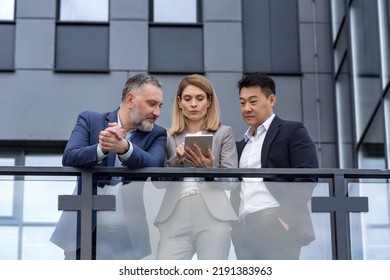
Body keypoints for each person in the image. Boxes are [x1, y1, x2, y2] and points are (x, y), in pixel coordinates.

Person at [50, 73, 167, 260]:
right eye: (152, 104)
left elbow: (155, 164)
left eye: (159, 106)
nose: (157, 113)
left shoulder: (158, 134)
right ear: (130, 100)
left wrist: (125, 149)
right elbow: (69, 156)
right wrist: (102, 149)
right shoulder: (90, 120)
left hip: (127, 238)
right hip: (84, 232)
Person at [230, 73, 319, 260]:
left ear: (271, 100)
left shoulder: (292, 131)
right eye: (242, 102)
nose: (246, 108)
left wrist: (284, 219)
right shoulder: (240, 146)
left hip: (276, 225)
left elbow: (308, 175)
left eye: (253, 101)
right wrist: (236, 228)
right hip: (243, 232)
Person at [154, 74, 238, 260]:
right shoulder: (166, 136)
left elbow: (232, 181)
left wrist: (210, 169)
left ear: (209, 101)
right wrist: (177, 158)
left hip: (213, 213)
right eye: (187, 98)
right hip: (175, 212)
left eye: (200, 98)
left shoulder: (224, 133)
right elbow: (158, 182)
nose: (193, 104)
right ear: (179, 102)